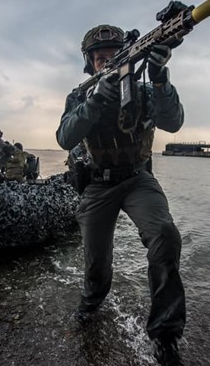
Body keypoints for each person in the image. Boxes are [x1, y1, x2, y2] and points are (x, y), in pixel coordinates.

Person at [56, 24, 186, 365]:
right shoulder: (80, 95)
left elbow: (173, 123)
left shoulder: (143, 91)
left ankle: (166, 335)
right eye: (100, 59)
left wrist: (159, 76)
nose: (107, 63)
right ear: (90, 64)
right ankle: (89, 308)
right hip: (98, 184)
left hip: (138, 179)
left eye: (114, 56)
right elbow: (66, 137)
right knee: (97, 267)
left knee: (165, 236)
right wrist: (96, 100)